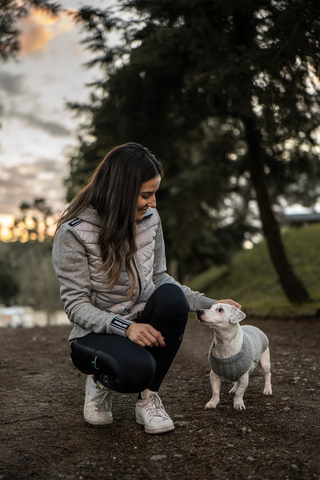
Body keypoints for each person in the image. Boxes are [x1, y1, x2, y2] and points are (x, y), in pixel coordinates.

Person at [52, 142, 241, 435]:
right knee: (136, 371)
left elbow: (160, 277)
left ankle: (148, 398)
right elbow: (76, 306)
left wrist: (209, 305)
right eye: (145, 195)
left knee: (173, 299)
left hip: (140, 319)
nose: (153, 203)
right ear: (120, 193)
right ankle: (100, 382)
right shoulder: (74, 232)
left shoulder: (150, 218)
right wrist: (124, 328)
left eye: (154, 194)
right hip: (95, 334)